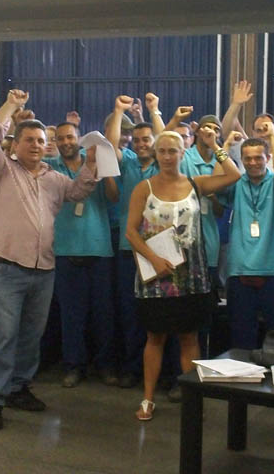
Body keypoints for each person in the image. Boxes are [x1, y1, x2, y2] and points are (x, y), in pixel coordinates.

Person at [0, 89, 99, 431]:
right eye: (28, 140)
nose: (35, 145)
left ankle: (19, 388)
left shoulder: (54, 179)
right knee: (3, 336)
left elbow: (78, 191)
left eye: (40, 141)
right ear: (15, 144)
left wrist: (91, 164)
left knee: (31, 336)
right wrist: (10, 105)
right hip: (6, 268)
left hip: (43, 270)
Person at [126, 127, 240, 421]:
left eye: (173, 151)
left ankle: (192, 400)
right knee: (155, 338)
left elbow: (233, 175)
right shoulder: (144, 188)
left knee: (189, 337)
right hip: (156, 277)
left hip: (192, 275)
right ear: (156, 154)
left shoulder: (195, 183)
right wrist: (154, 259)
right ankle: (148, 399)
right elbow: (131, 232)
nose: (167, 157)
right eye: (162, 151)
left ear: (182, 154)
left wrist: (215, 144)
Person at [46, 121, 120, 388]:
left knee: (103, 314)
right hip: (64, 250)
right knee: (71, 315)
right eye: (61, 138)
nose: (66, 142)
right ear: (55, 142)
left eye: (70, 137)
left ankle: (105, 365)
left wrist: (104, 168)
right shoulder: (50, 168)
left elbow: (114, 197)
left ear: (78, 139)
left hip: (98, 249)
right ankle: (73, 366)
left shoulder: (97, 163)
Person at [105, 95, 162, 389]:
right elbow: (110, 146)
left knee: (158, 314)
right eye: (137, 140)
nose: (140, 144)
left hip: (157, 251)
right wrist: (118, 111)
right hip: (129, 250)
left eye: (146, 140)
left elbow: (165, 138)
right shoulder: (126, 162)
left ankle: (162, 373)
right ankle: (131, 367)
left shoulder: (163, 167)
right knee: (129, 313)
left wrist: (153, 111)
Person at [222, 131, 274, 350]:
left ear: (267, 158)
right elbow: (216, 180)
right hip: (240, 268)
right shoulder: (236, 182)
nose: (252, 163)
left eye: (258, 158)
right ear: (241, 160)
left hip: (273, 269)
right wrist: (225, 145)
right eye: (247, 158)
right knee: (241, 334)